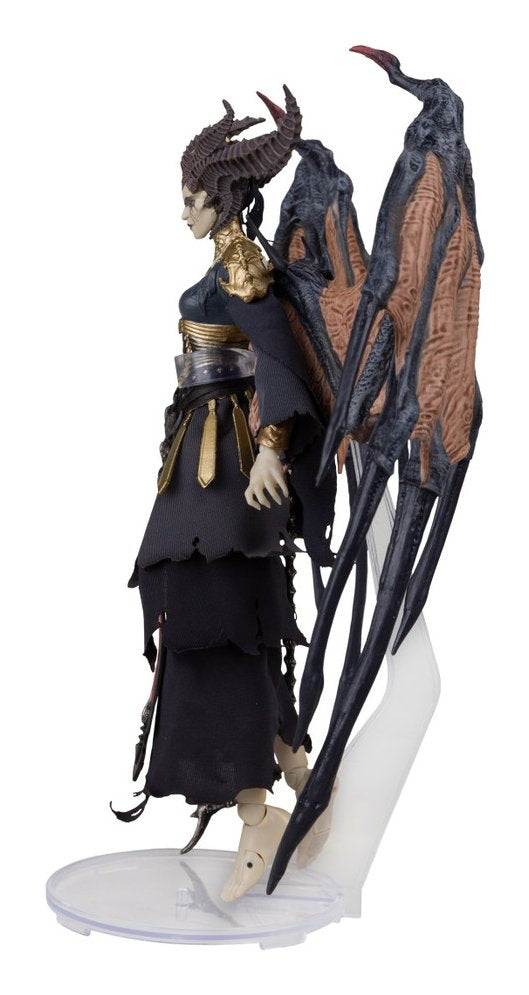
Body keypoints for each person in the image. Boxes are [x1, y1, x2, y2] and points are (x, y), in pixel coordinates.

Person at [112, 88, 336, 901]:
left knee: (213, 618)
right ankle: (298, 773)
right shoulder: (221, 264)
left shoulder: (241, 267)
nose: (183, 213)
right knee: (214, 618)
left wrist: (271, 446)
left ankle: (255, 811)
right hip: (196, 458)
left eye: (190, 199)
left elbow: (275, 357)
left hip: (229, 470)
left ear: (219, 197)